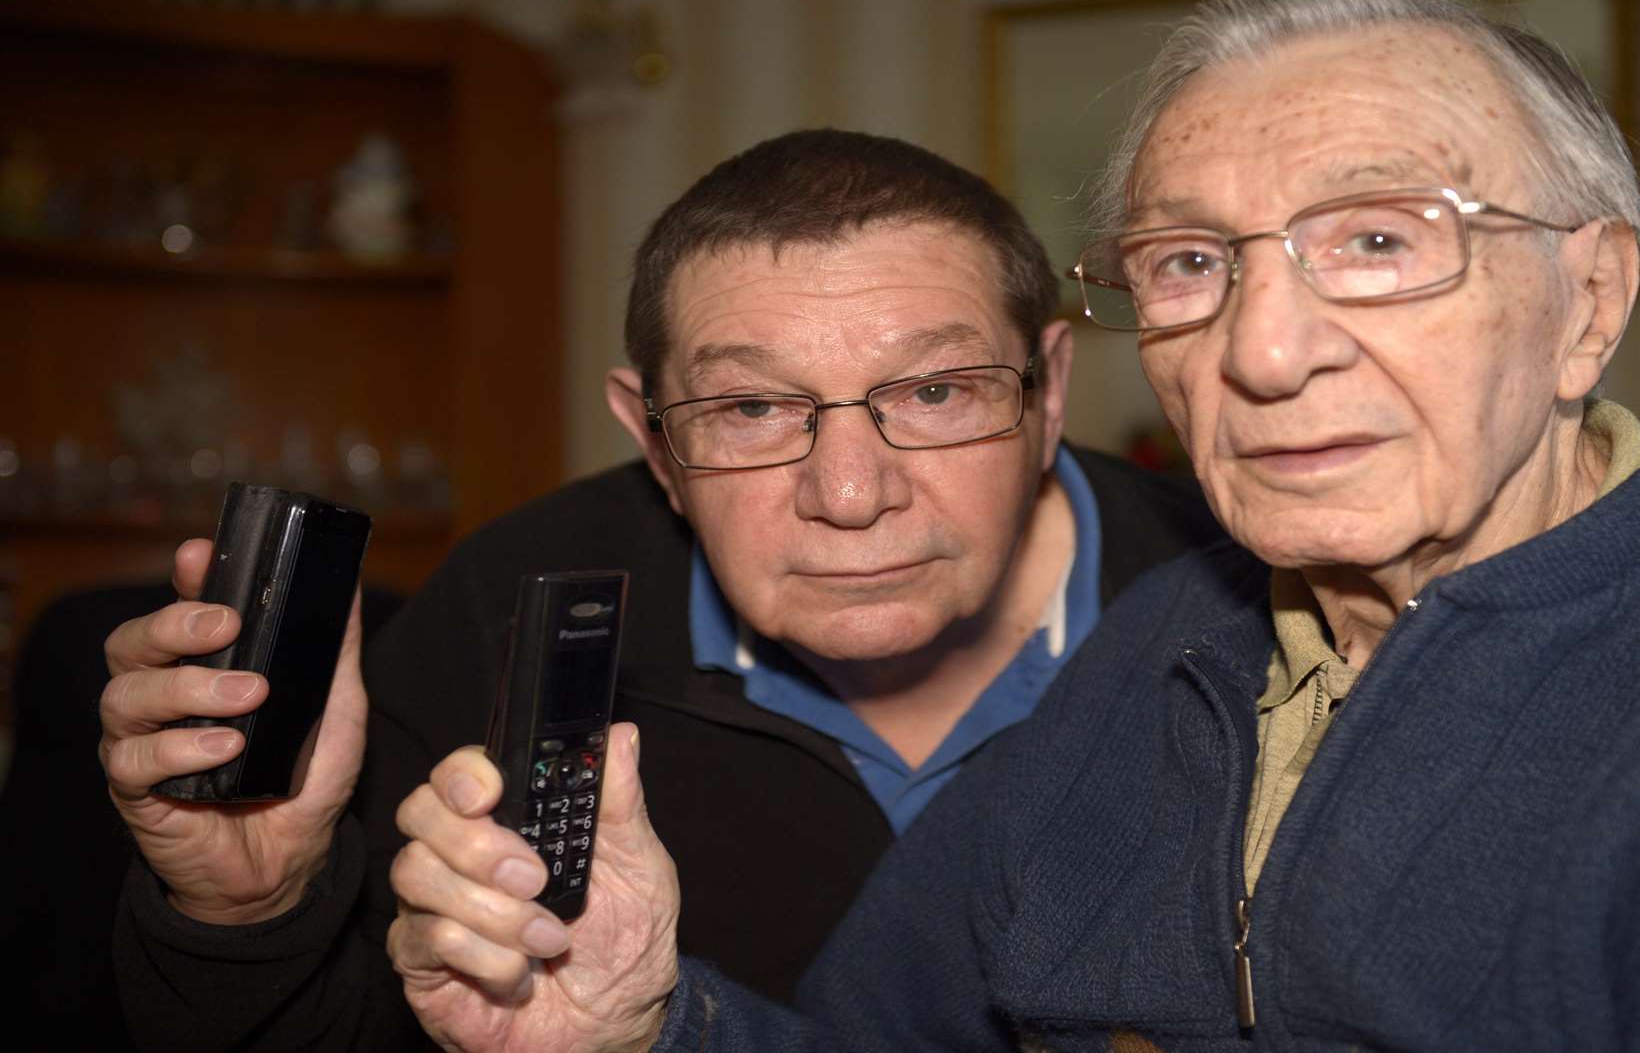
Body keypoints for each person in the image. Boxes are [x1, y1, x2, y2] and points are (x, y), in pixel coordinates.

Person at [344, 0, 1640, 1050]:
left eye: (1375, 240)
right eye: (1187, 264)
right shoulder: (1167, 650)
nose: (1265, 346)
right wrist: (643, 1020)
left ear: (1589, 301)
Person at [100, 130, 1225, 1049]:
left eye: (936, 392)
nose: (847, 493)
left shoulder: (1248, 604)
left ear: (1050, 390)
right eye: (750, 411)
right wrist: (249, 911)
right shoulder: (510, 607)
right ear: (653, 439)